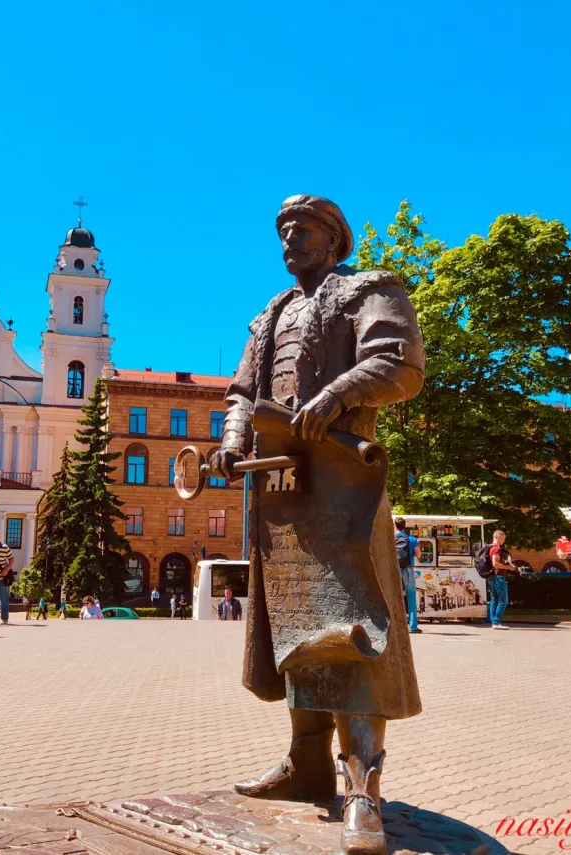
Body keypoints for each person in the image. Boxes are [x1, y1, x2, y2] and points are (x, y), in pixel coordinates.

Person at [210, 195, 425, 855]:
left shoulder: (370, 291)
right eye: (281, 230)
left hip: (344, 489)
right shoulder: (270, 313)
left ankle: (362, 788)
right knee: (295, 624)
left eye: (301, 229)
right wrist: (234, 438)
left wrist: (336, 396)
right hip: (281, 492)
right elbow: (243, 392)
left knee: (349, 629)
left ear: (334, 240)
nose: (289, 239)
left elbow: (401, 363)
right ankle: (306, 764)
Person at [394, 517, 422, 634]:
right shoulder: (411, 539)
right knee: (411, 597)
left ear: (395, 526)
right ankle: (413, 626)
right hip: (408, 569)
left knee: (395, 597)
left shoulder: (391, 538)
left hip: (394, 570)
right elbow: (419, 554)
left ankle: (396, 626)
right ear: (405, 526)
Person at [488, 530, 517, 630]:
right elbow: (495, 564)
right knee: (503, 600)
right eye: (503, 538)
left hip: (492, 577)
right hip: (498, 577)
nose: (504, 541)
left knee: (494, 599)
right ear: (498, 536)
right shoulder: (496, 549)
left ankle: (494, 622)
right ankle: (496, 622)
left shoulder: (490, 548)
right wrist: (508, 567)